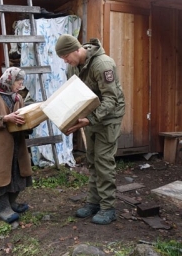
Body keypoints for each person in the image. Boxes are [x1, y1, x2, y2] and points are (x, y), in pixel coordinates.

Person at [55, 35, 125, 225]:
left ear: (77, 49)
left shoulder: (103, 64)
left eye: (66, 56)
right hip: (90, 117)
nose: (65, 61)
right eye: (62, 58)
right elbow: (73, 94)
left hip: (108, 117)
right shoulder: (73, 66)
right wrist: (68, 119)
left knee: (103, 160)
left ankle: (108, 207)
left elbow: (112, 99)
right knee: (92, 159)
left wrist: (90, 119)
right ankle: (94, 202)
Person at [0, 67, 32, 224]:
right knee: (0, 175)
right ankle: (3, 208)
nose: (20, 86)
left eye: (22, 84)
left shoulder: (18, 98)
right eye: (18, 83)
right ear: (10, 80)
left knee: (17, 172)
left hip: (16, 143)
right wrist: (5, 119)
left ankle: (12, 203)